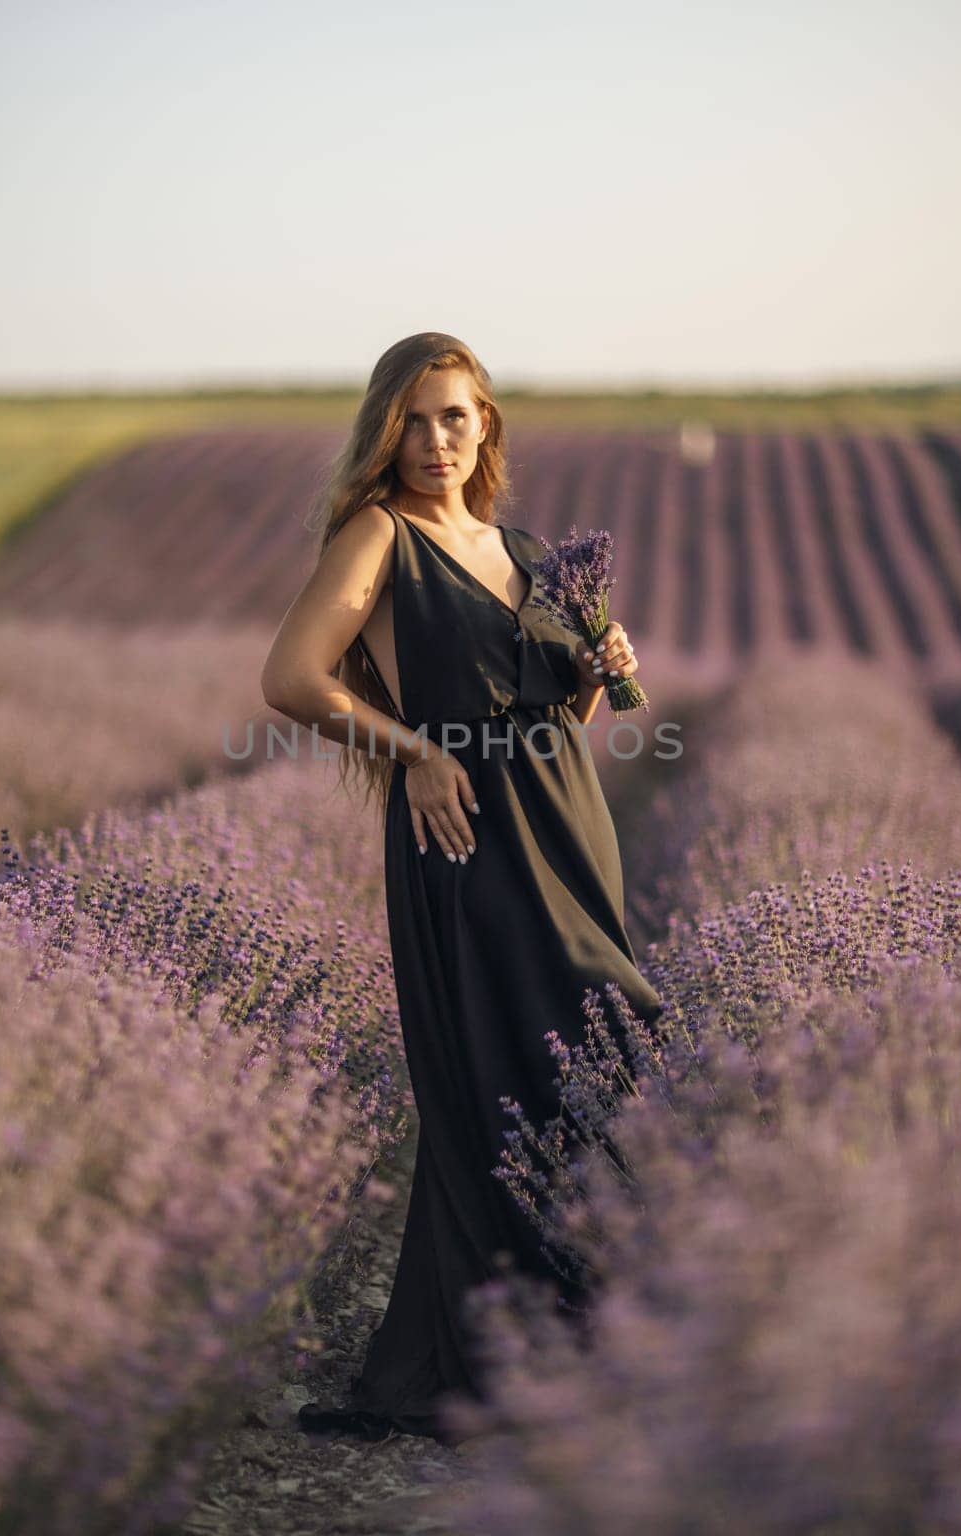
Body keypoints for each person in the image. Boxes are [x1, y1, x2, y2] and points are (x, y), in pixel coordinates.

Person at [260, 332, 666, 1447]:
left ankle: (580, 1336)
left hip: (566, 828)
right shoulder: (378, 534)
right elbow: (290, 676)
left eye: (455, 417)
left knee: (595, 1052)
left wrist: (594, 671)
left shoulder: (524, 547)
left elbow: (552, 723)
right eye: (414, 418)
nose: (435, 440)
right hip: (463, 833)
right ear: (383, 429)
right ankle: (513, 1350)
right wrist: (412, 751)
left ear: (487, 426)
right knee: (507, 1070)